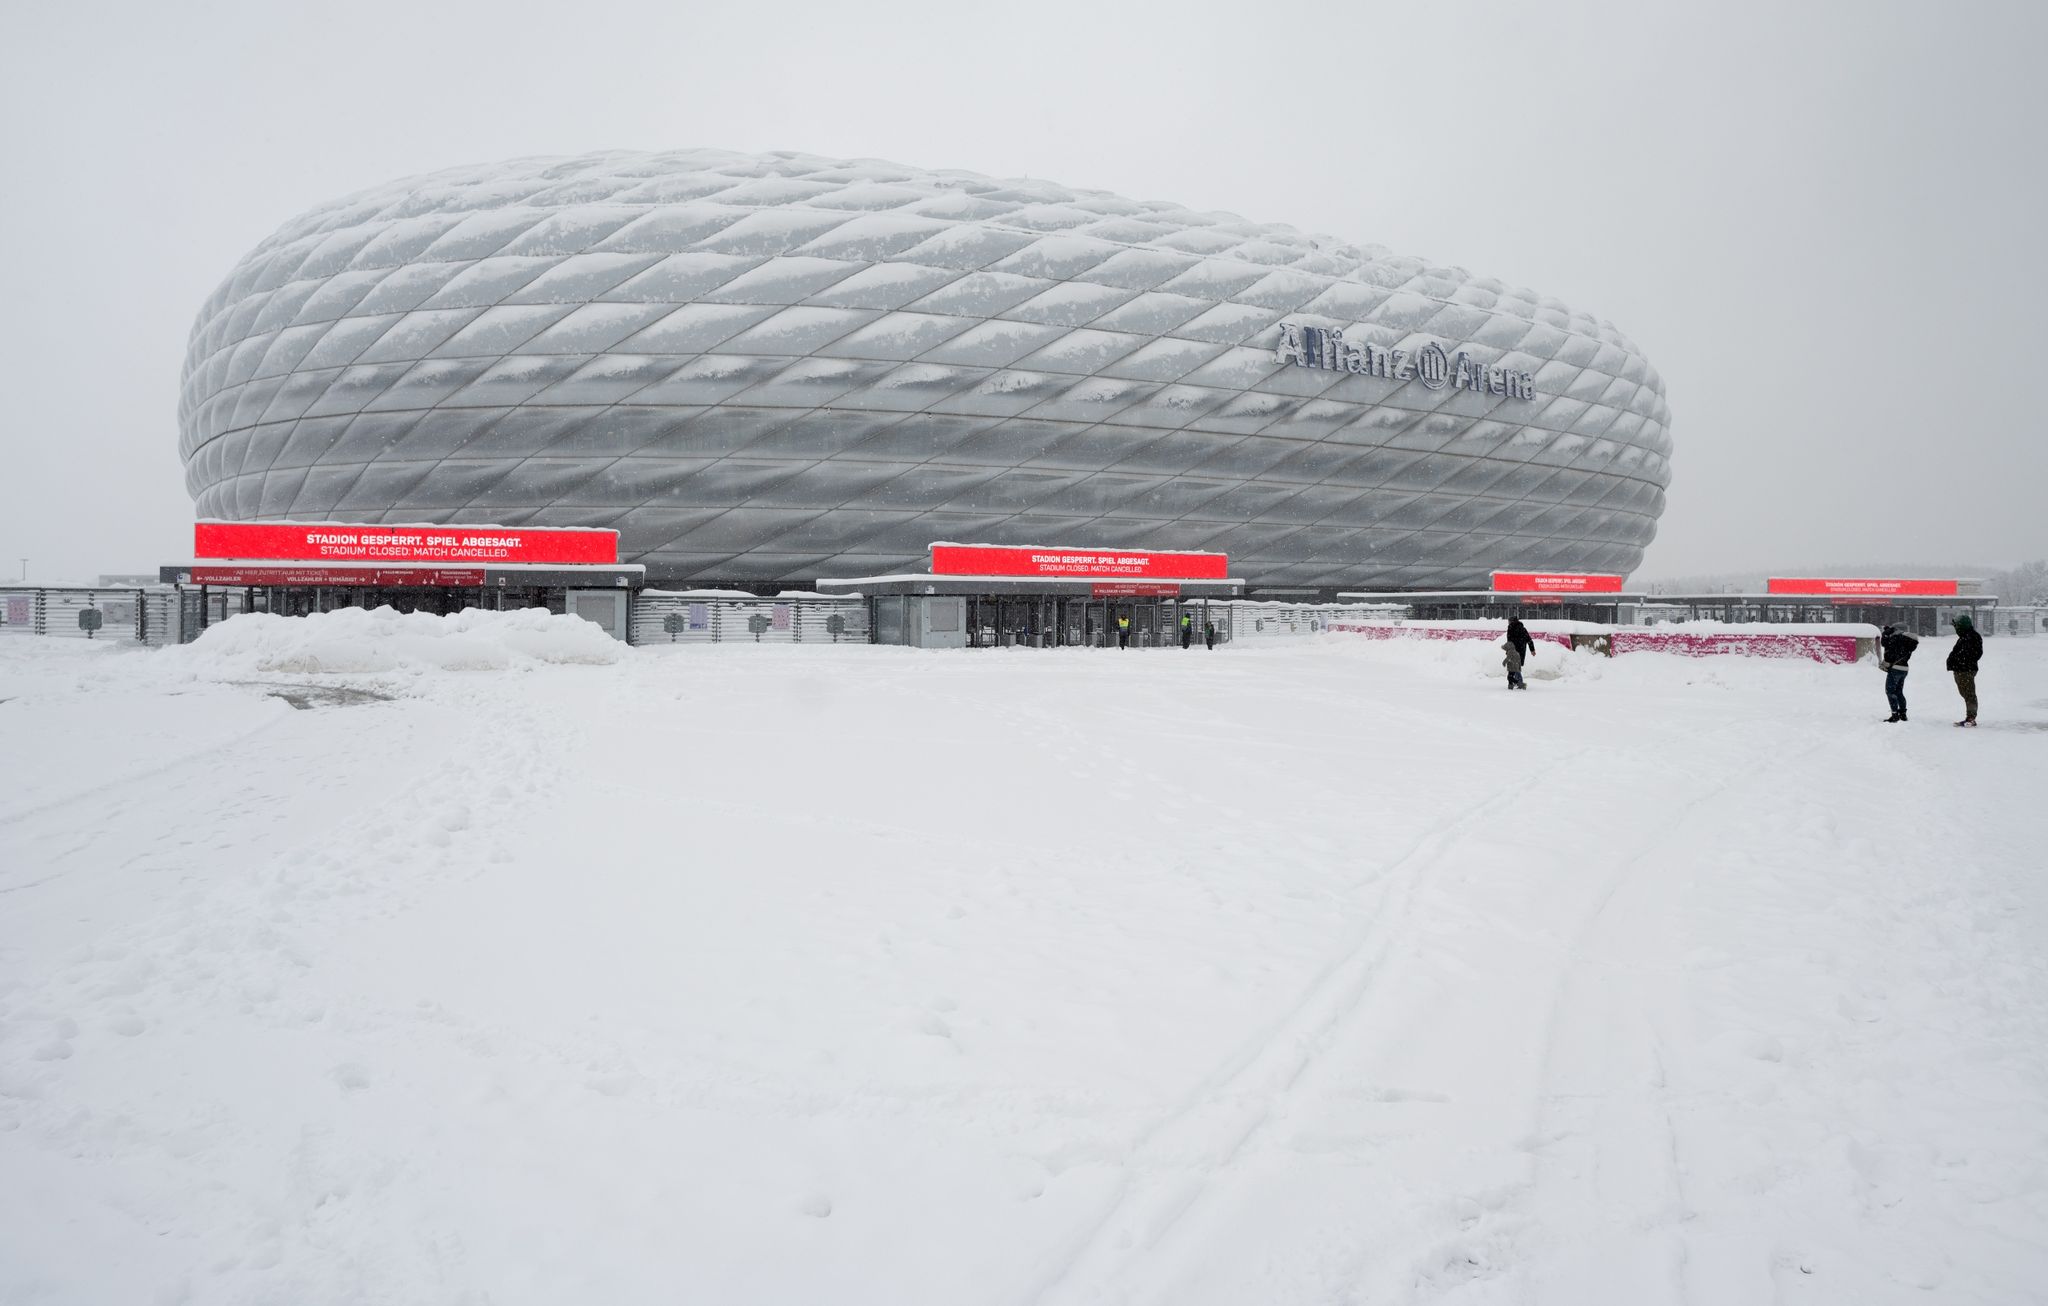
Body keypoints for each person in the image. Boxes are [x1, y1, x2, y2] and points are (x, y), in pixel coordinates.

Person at [1946, 613, 1983, 726]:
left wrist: (1959, 661)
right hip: (1962, 669)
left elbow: (1974, 653)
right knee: (1965, 693)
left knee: (1969, 694)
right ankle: (1970, 716)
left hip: (1965, 670)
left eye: (1956, 626)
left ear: (1961, 626)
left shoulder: (1971, 637)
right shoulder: (1965, 636)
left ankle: (1971, 718)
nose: (1955, 628)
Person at [1878, 623, 1918, 722]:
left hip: (1895, 668)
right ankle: (1903, 714)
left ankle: (1895, 715)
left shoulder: (1896, 638)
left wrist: (1886, 633)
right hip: (1904, 668)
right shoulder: (1908, 640)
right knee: (1899, 692)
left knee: (1890, 691)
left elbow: (1885, 644)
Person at [1503, 617, 1536, 690]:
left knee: (1513, 668)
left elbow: (1509, 642)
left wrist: (1508, 651)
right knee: (1516, 667)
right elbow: (1529, 640)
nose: (1508, 623)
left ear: (1512, 621)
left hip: (1513, 651)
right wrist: (1532, 650)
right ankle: (1517, 682)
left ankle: (1517, 683)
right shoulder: (1523, 629)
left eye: (1509, 621)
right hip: (1521, 651)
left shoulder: (1510, 629)